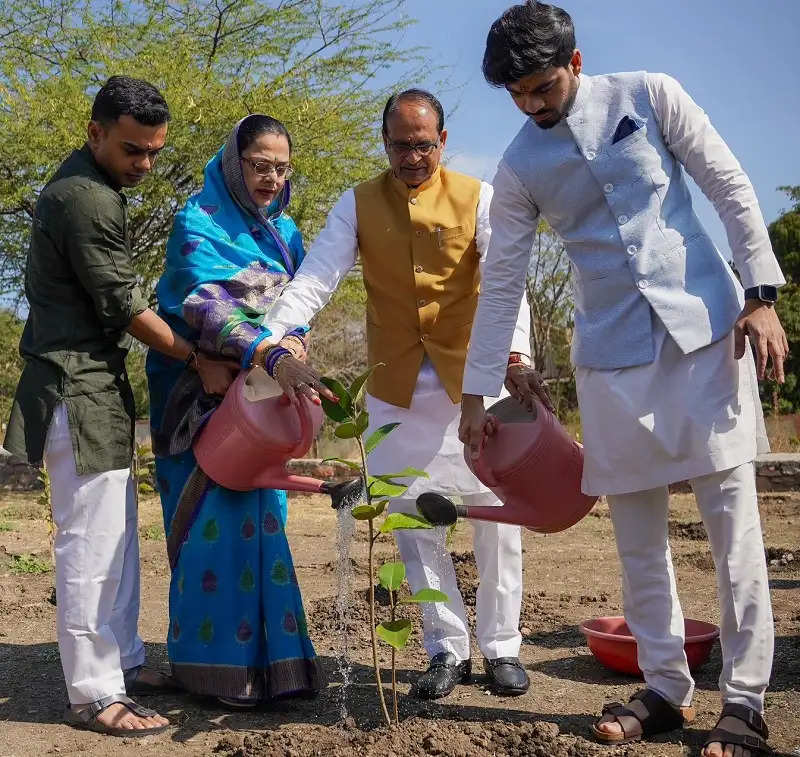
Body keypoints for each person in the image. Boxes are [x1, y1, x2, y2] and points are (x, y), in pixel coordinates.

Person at [458, 3, 787, 755]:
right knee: (637, 534)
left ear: (575, 63)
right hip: (609, 356)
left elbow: (730, 185)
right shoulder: (516, 167)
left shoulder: (651, 93)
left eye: (541, 87)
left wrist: (761, 296)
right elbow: (502, 280)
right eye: (516, 94)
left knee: (731, 524)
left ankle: (745, 698)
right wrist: (478, 394)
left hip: (706, 334)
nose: (531, 105)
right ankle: (666, 686)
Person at [263, 89, 548, 700]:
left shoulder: (480, 196)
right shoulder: (359, 203)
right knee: (413, 519)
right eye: (400, 146)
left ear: (442, 141)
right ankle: (446, 649)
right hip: (395, 387)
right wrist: (283, 334)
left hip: (476, 383)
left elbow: (507, 283)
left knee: (495, 519)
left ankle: (501, 648)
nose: (412, 157)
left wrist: (516, 354)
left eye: (424, 145)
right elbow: (317, 275)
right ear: (385, 143)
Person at [3, 76, 236, 737]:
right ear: (94, 132)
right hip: (73, 385)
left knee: (120, 532)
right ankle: (93, 692)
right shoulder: (84, 200)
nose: (146, 165)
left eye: (156, 152)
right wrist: (200, 356)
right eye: (134, 150)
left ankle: (124, 660)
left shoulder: (95, 187)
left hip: (95, 384)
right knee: (92, 540)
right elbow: (123, 304)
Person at [145, 114, 322, 708]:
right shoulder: (197, 221)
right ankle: (205, 670)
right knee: (208, 532)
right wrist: (266, 351)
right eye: (259, 165)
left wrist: (292, 344)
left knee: (264, 521)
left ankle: (275, 670)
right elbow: (201, 303)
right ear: (233, 163)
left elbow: (298, 304)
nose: (271, 177)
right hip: (198, 398)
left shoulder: (289, 233)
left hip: (261, 399)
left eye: (280, 166)